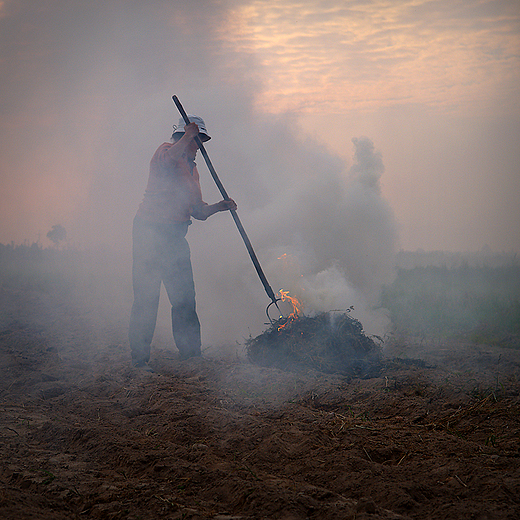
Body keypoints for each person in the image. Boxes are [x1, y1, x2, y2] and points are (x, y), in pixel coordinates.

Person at [129, 115, 236, 369]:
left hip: (176, 236)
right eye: (198, 140)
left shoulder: (192, 169)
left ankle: (191, 354)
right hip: (150, 233)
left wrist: (220, 207)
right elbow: (168, 161)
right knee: (147, 297)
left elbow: (197, 212)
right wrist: (188, 135)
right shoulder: (165, 152)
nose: (200, 146)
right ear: (185, 136)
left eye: (201, 140)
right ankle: (139, 361)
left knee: (184, 297)